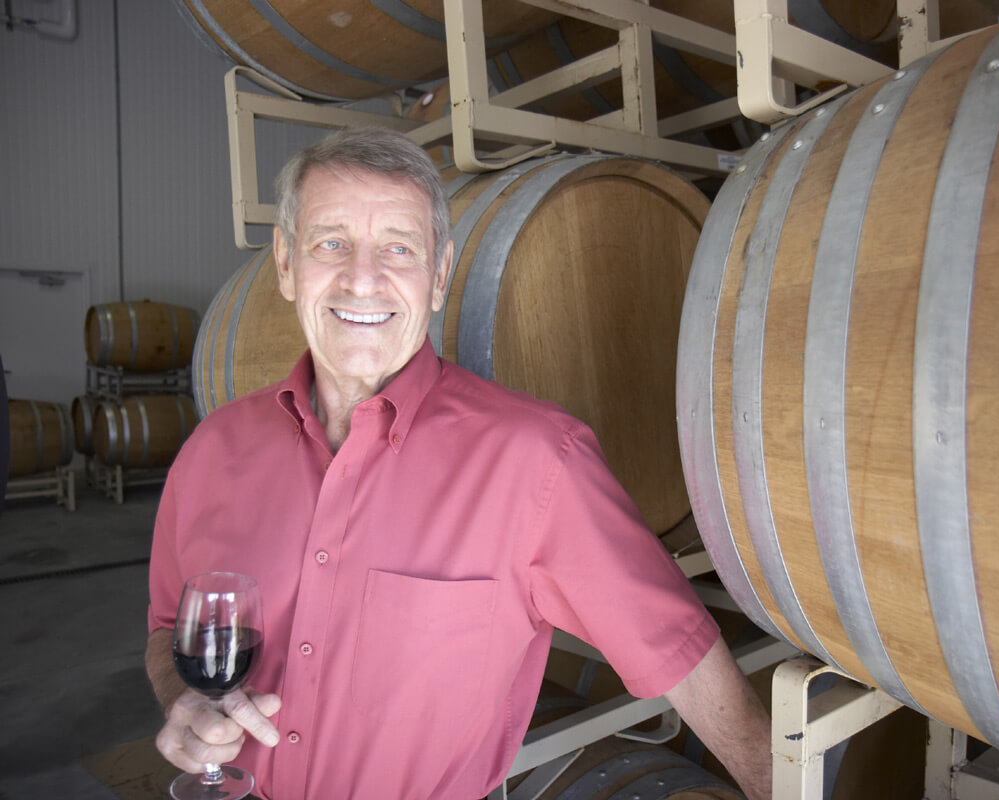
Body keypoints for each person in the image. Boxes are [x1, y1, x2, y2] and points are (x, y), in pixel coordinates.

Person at [144, 127, 772, 800]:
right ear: (287, 264)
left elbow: (684, 658)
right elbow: (166, 634)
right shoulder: (212, 452)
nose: (363, 277)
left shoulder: (536, 462)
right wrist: (185, 700)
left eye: (399, 248)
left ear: (438, 276)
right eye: (331, 243)